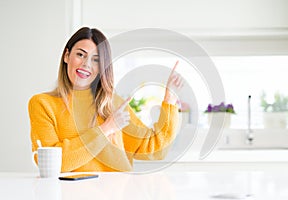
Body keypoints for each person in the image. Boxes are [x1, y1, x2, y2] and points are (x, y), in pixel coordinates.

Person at [28, 27, 183, 172]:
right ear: (67, 56)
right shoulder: (42, 104)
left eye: (96, 60)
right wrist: (106, 129)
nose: (86, 64)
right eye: (80, 55)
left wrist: (169, 100)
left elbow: (155, 150)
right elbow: (54, 163)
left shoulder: (112, 104)